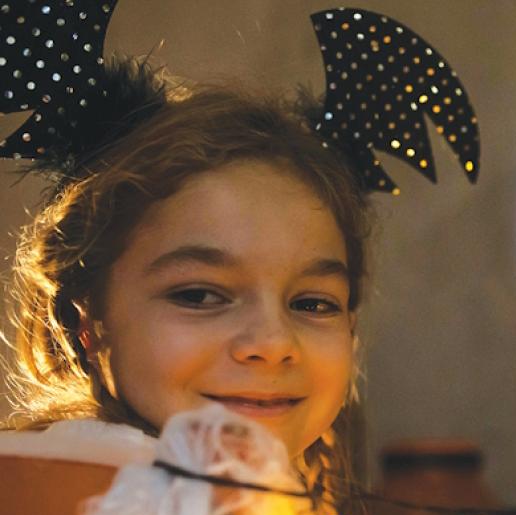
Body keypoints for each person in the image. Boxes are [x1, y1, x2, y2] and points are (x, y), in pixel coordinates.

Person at [5, 84, 368, 488]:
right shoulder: (45, 510)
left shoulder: (283, 510)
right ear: (85, 322)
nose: (273, 343)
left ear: (351, 327)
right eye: (199, 296)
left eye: (313, 304)